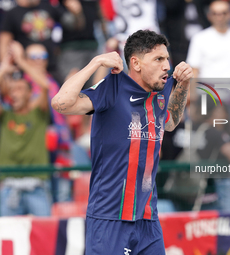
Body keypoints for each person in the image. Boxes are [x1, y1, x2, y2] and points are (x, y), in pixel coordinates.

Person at [51, 30, 192, 254]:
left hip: (148, 220)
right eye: (158, 59)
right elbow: (60, 103)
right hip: (110, 218)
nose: (167, 66)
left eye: (167, 59)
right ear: (135, 63)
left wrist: (183, 84)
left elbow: (171, 122)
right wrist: (96, 62)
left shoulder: (161, 91)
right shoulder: (113, 87)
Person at [0, 44, 51, 216]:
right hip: (8, 186)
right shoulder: (5, 115)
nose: (14, 94)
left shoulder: (38, 113)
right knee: (5, 236)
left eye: (20, 89)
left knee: (45, 236)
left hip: (36, 186)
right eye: (12, 90)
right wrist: (3, 68)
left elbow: (45, 85)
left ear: (30, 94)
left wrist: (21, 62)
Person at [186, 0, 230, 79]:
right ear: (209, 16)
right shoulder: (198, 39)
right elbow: (194, 71)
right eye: (215, 13)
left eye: (224, 13)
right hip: (207, 89)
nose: (220, 17)